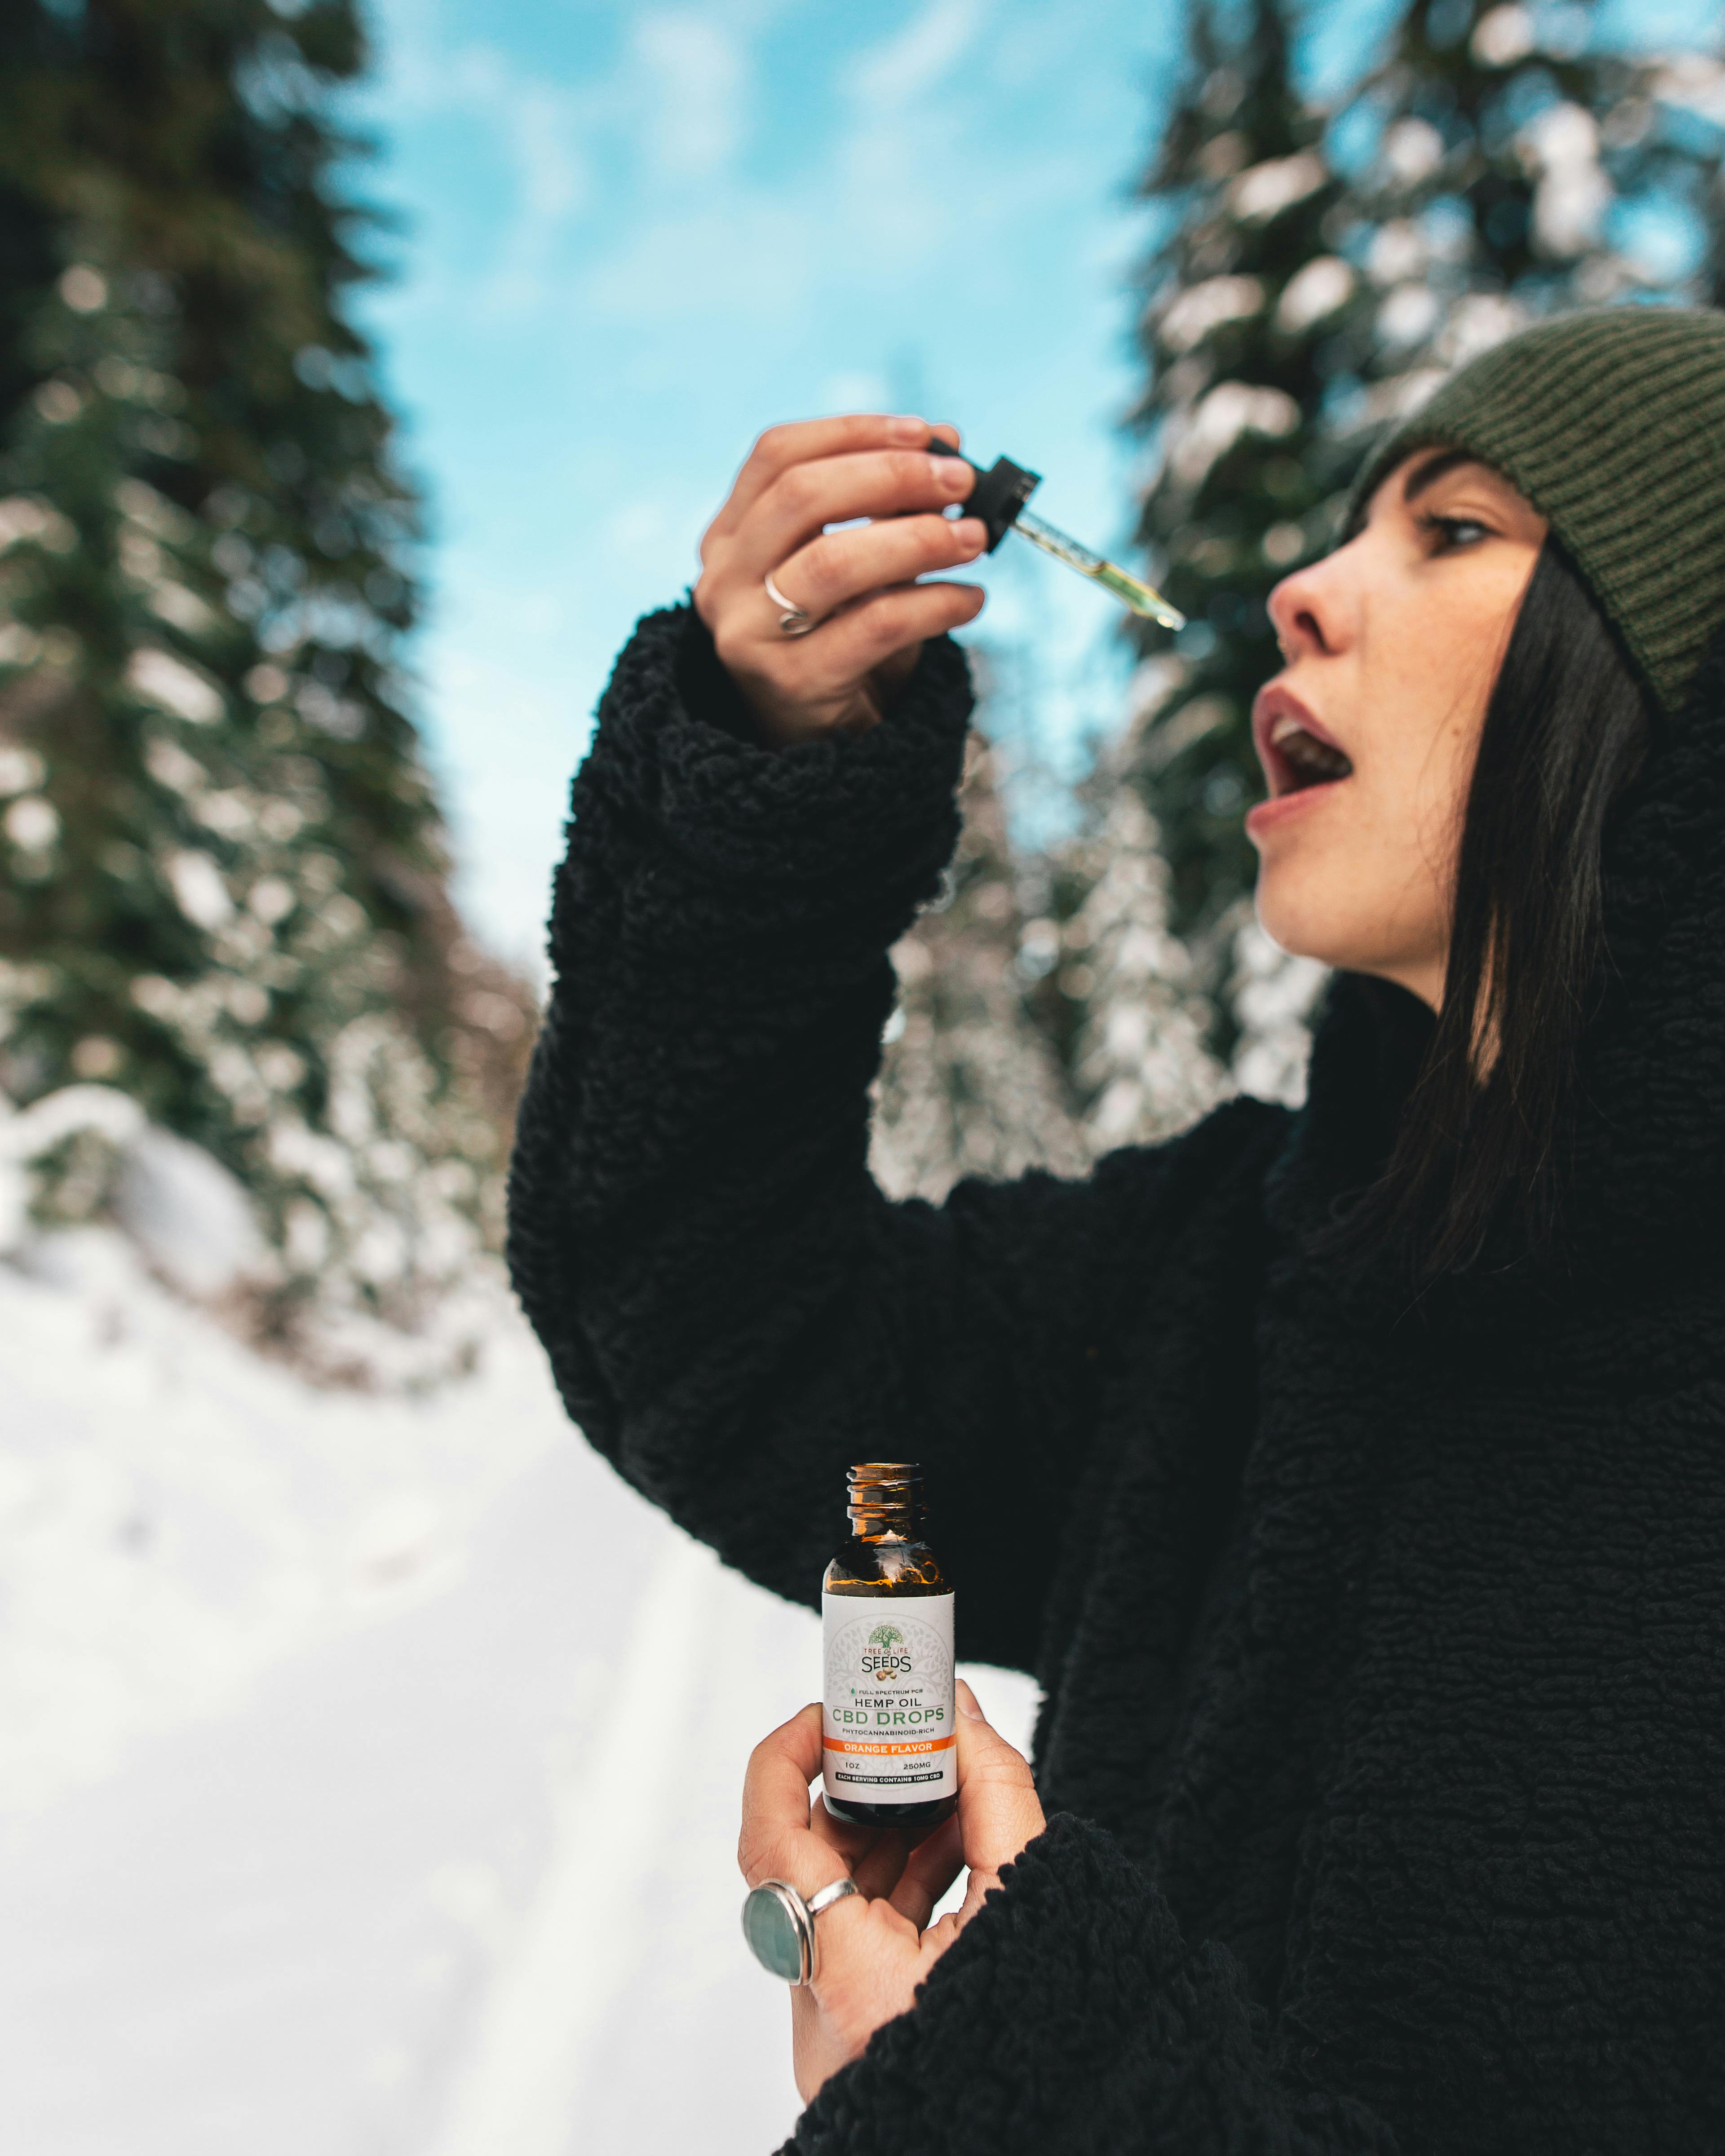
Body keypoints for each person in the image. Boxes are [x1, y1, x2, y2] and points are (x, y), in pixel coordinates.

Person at [506, 307, 1725, 2154]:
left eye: (1456, 531)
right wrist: (765, 792)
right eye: (1347, 527)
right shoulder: (1233, 1265)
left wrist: (1025, 2087)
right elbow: (724, 1337)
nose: (1305, 590)